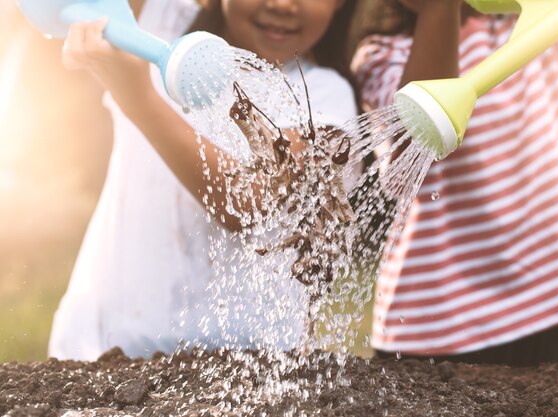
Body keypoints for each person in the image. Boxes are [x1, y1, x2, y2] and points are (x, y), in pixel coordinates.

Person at [49, 0, 358, 361]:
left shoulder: (324, 96)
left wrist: (137, 97)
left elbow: (247, 199)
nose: (282, 4)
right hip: (101, 346)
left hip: (246, 366)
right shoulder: (159, 23)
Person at [351, 0, 558, 366]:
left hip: (542, 300)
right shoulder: (384, 53)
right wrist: (439, 11)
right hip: (437, 321)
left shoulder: (523, 30)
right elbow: (413, 151)